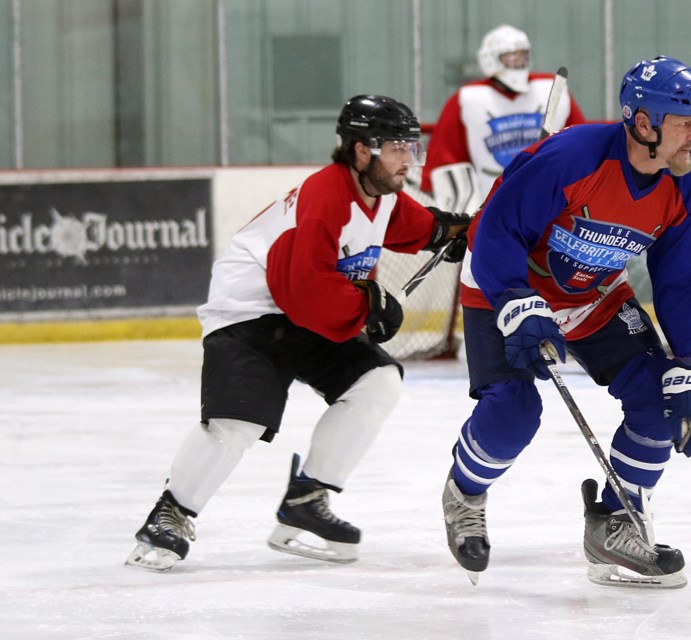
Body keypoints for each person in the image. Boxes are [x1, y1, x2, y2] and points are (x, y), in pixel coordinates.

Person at [126, 95, 471, 572]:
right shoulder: (325, 196)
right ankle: (170, 514)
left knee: (377, 382)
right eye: (396, 148)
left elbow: (413, 224)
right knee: (238, 424)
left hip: (303, 312)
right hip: (250, 313)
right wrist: (368, 304)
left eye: (412, 147)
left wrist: (449, 232)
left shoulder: (379, 196)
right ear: (360, 149)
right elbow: (303, 292)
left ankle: (308, 500)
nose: (408, 160)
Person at [440, 56, 691, 588]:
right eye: (684, 123)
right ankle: (465, 492)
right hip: (505, 286)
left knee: (662, 399)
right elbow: (497, 232)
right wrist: (516, 301)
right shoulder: (571, 158)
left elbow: (683, 280)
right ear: (643, 123)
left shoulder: (679, 185)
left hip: (592, 295)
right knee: (514, 412)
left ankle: (613, 522)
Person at [420, 24, 587, 213]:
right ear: (490, 59)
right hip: (489, 206)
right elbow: (445, 162)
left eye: (523, 55)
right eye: (511, 57)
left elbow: (582, 148)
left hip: (549, 204)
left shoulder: (553, 91)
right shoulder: (468, 99)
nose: (518, 62)